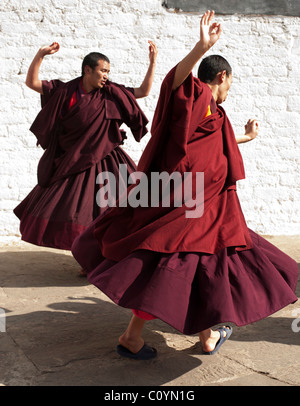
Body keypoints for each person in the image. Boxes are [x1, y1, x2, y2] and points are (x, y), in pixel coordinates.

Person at [71, 11, 298, 359]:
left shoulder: (214, 114)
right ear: (221, 77)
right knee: (178, 265)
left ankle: (189, 336)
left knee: (192, 267)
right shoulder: (198, 98)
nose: (227, 91)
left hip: (209, 207)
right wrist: (200, 47)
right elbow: (174, 84)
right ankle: (142, 336)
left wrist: (247, 138)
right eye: (229, 84)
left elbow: (214, 141)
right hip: (188, 204)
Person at [14, 40, 157, 253]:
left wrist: (152, 63)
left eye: (108, 71)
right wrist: (40, 55)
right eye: (103, 71)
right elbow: (32, 82)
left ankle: (104, 253)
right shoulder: (64, 91)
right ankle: (85, 253)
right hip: (72, 161)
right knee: (75, 211)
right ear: (87, 70)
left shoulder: (111, 93)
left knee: (119, 205)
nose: (106, 75)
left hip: (106, 158)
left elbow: (143, 91)